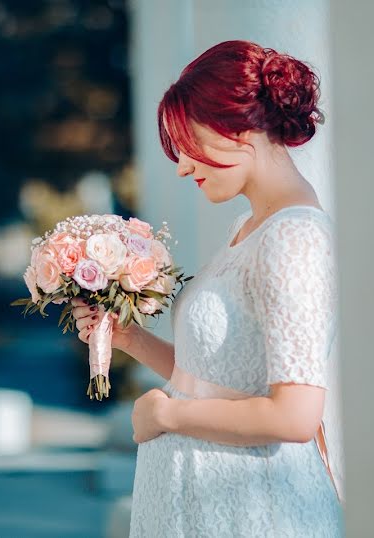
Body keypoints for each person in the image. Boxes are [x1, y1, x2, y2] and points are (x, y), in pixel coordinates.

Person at [71, 40, 342, 536]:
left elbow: (295, 416)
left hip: (253, 508)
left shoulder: (293, 237)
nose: (181, 166)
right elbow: (216, 378)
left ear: (239, 129)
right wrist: (131, 338)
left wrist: (169, 416)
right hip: (201, 501)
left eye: (188, 145)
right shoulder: (248, 227)